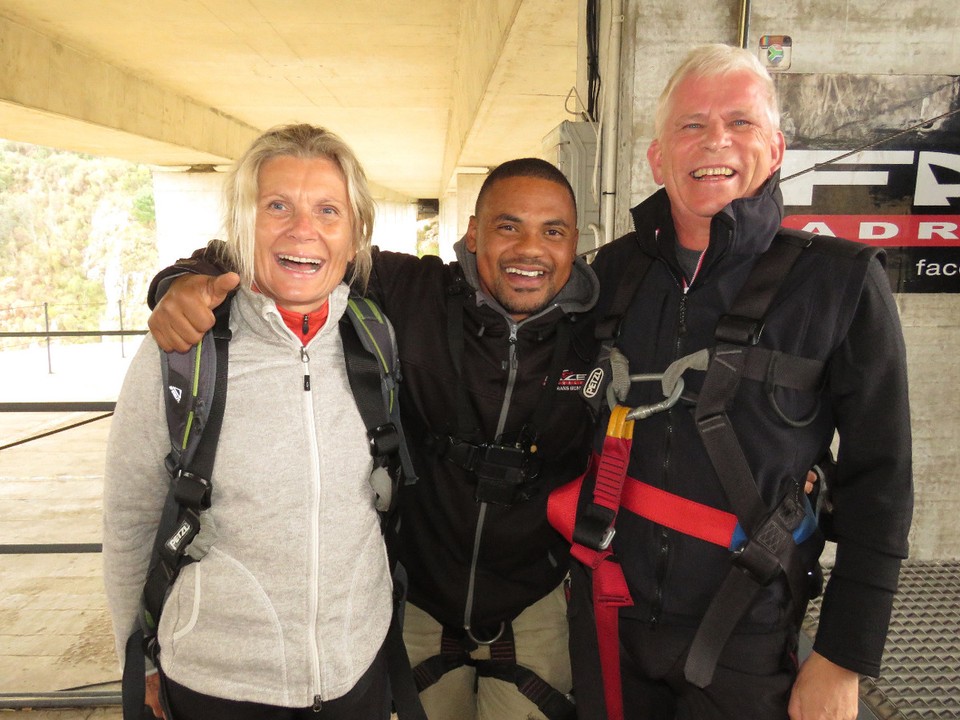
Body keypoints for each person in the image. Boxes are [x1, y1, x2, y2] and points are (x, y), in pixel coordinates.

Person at [144, 157, 601, 719]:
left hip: (536, 604)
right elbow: (290, 251)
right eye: (508, 226)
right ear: (474, 232)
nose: (530, 249)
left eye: (552, 231)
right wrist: (182, 281)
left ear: (575, 242)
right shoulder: (412, 290)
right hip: (418, 605)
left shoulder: (603, 322)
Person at [564, 44, 913, 720]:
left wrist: (841, 661)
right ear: (659, 157)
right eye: (691, 125)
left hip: (747, 637)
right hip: (609, 618)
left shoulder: (839, 284)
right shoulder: (611, 273)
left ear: (776, 148)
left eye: (740, 122)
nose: (715, 140)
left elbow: (882, 482)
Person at [103, 124, 397, 719]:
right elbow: (131, 514)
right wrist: (137, 657)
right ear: (243, 224)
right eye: (277, 206)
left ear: (355, 233)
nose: (302, 230)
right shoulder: (184, 347)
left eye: (327, 210)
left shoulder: (375, 340)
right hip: (218, 683)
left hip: (356, 674)